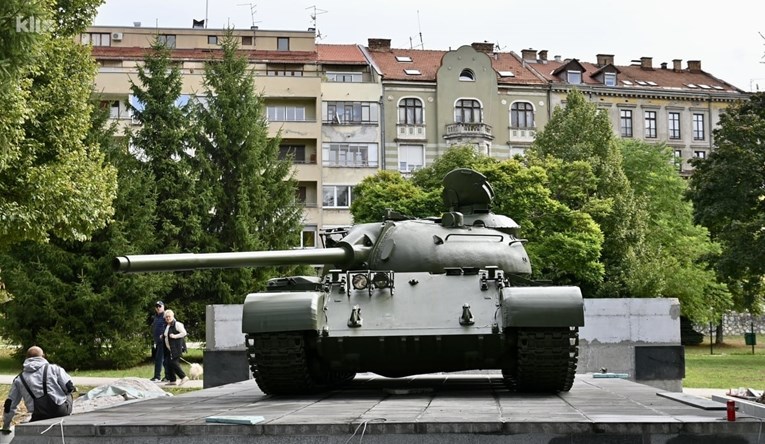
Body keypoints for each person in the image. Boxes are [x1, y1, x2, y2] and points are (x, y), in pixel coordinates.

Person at [2, 346, 76, 432]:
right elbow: (69, 387)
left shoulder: (19, 379)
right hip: (60, 411)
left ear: (26, 358)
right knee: (68, 393)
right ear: (43, 356)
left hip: (38, 415)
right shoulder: (54, 369)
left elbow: (10, 404)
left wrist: (6, 426)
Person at [161, 309, 189, 386]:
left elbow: (184, 333)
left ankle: (183, 377)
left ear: (173, 316)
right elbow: (167, 334)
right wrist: (162, 336)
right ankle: (172, 380)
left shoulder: (177, 324)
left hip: (176, 348)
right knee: (168, 363)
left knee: (173, 363)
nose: (168, 318)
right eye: (166, 317)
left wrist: (175, 336)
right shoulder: (167, 325)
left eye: (169, 316)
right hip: (169, 348)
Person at [150, 301, 169, 383]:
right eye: (157, 306)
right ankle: (168, 377)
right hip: (158, 341)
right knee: (164, 360)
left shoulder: (166, 315)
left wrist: (164, 335)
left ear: (163, 307)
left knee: (159, 359)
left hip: (164, 341)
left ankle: (157, 377)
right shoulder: (156, 317)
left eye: (160, 306)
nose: (158, 308)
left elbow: (170, 326)